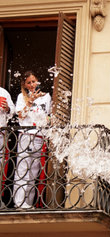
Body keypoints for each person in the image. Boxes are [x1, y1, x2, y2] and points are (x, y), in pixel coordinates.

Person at [13, 71, 52, 209]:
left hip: (39, 136)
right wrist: (30, 102)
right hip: (26, 135)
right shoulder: (21, 97)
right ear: (24, 84)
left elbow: (48, 116)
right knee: (23, 169)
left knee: (34, 171)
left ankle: (28, 203)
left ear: (38, 81)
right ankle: (19, 203)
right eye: (29, 82)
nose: (32, 85)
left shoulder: (46, 97)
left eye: (34, 81)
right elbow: (21, 116)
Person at [0, 87, 15, 206]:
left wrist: (8, 108)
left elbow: (13, 110)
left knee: (0, 167)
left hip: (1, 135)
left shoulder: (3, 92)